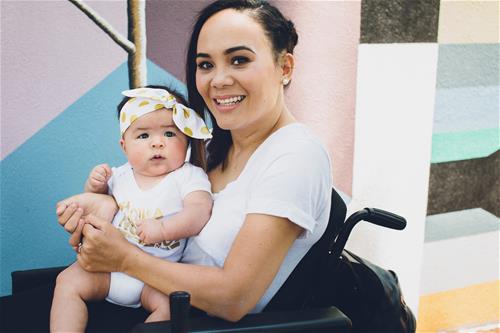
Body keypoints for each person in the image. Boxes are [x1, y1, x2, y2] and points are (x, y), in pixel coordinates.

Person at [0, 0, 332, 331]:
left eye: (239, 60)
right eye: (205, 65)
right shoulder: (215, 149)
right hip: (127, 294)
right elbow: (145, 203)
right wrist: (101, 212)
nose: (218, 80)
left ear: (284, 67)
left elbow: (234, 297)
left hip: (176, 319)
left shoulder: (294, 156)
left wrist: (124, 257)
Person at [50, 86, 213, 332]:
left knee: (172, 308)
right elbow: (99, 209)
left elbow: (199, 212)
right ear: (124, 145)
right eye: (144, 136)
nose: (157, 143)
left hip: (155, 277)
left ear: (186, 141)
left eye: (169, 134)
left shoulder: (187, 176)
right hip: (107, 269)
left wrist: (163, 228)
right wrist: (95, 187)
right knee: (66, 282)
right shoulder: (120, 175)